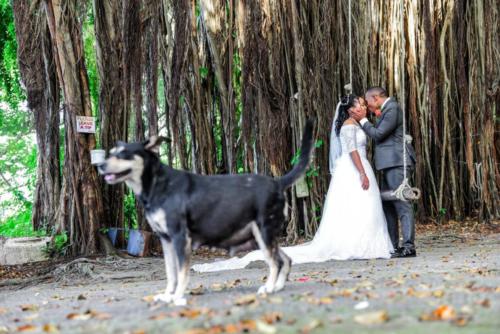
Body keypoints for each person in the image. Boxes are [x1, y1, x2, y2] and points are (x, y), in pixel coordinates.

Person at [192, 95, 393, 273]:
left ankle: (365, 243)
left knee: (363, 207)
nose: (364, 106)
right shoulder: (349, 126)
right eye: (360, 104)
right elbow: (352, 151)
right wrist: (362, 173)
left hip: (357, 168)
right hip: (354, 169)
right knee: (356, 206)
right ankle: (355, 245)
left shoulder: (357, 124)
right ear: (350, 110)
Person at [350, 87, 417, 258]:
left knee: (402, 203)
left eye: (368, 103)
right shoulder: (386, 110)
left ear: (376, 98)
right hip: (387, 164)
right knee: (388, 205)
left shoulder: (392, 108)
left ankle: (409, 246)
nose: (368, 107)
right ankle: (393, 245)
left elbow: (379, 134)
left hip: (396, 162)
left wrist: (364, 120)